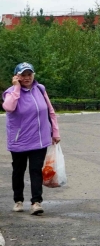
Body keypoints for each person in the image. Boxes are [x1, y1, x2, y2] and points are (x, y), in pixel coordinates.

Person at [3, 63, 60, 215]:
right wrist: (16, 88)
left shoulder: (40, 89)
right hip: (19, 140)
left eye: (29, 74)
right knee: (18, 171)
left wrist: (55, 131)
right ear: (17, 76)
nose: (27, 78)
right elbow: (8, 107)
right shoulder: (11, 92)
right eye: (23, 75)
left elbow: (50, 111)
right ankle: (18, 200)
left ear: (33, 75)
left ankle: (36, 202)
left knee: (36, 170)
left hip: (39, 140)